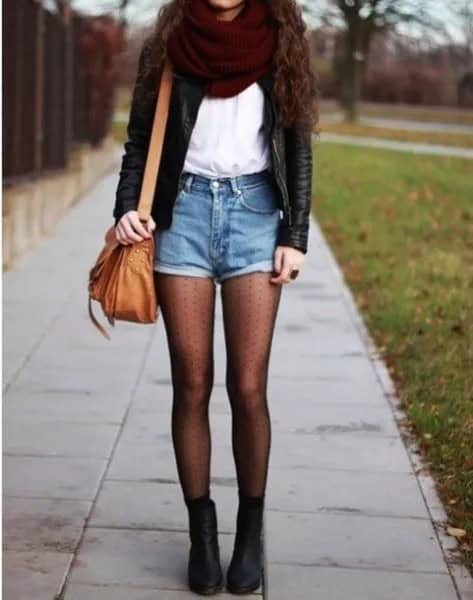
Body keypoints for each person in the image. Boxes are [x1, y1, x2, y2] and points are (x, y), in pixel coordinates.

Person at [112, 0, 317, 594]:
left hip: (256, 213)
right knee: (192, 382)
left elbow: (298, 138)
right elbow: (138, 139)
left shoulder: (280, 35)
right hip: (183, 219)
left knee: (248, 385)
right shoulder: (171, 40)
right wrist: (128, 208)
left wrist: (295, 234)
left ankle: (249, 533)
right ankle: (203, 535)